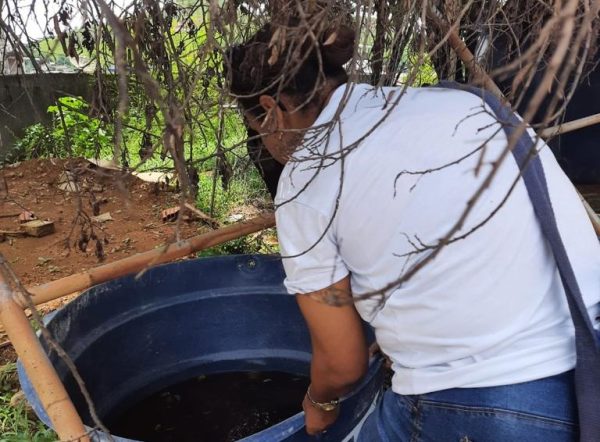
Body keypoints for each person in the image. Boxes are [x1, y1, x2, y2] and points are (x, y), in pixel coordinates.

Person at [225, 12, 600, 442]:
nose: (270, 146)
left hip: (486, 406)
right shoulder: (461, 103)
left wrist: (318, 403)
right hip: (585, 364)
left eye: (259, 130)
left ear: (274, 107)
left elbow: (343, 364)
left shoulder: (307, 180)